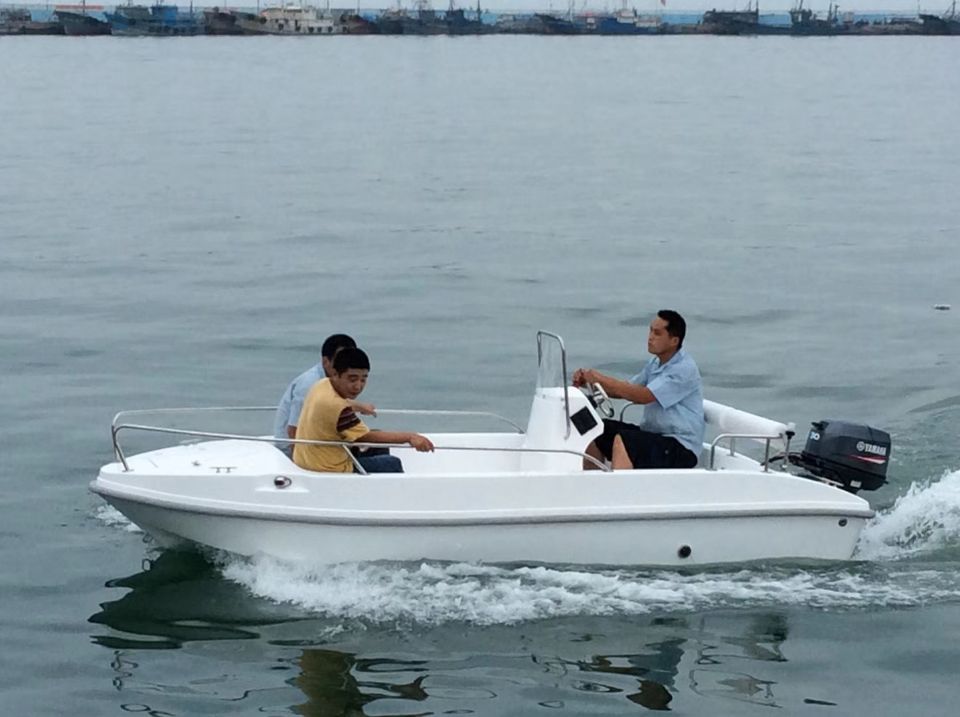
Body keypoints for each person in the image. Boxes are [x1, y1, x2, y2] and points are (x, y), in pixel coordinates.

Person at [573, 309, 704, 470]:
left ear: (674, 340)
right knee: (599, 429)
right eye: (650, 331)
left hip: (681, 446)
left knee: (625, 441)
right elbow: (628, 389)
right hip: (655, 436)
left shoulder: (683, 369)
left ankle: (619, 485)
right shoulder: (655, 363)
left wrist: (600, 378)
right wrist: (590, 383)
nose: (650, 337)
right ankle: (592, 480)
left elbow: (643, 396)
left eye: (657, 333)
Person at [293, 347, 434, 474]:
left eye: (363, 380)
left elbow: (339, 403)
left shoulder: (322, 385)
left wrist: (359, 406)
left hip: (307, 458)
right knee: (392, 463)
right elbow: (365, 437)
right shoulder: (337, 407)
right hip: (328, 466)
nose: (358, 386)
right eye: (352, 379)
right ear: (335, 374)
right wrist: (410, 437)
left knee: (378, 446)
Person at [273, 334, 374, 457]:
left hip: (321, 442)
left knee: (375, 445)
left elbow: (333, 404)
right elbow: (293, 430)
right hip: (294, 450)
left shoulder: (332, 381)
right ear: (326, 361)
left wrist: (359, 406)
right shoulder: (309, 384)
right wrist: (300, 464)